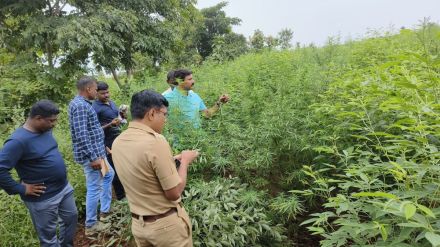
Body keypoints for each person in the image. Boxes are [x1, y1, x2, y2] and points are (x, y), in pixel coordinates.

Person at [112, 90, 199, 247]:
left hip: (139, 227)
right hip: (166, 229)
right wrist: (185, 161)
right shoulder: (156, 141)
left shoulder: (118, 142)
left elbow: (141, 169)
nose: (165, 119)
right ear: (152, 113)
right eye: (164, 114)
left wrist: (170, 160)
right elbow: (174, 192)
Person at [0, 100, 78, 247]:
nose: (54, 124)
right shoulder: (17, 141)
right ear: (38, 118)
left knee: (71, 218)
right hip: (43, 198)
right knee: (48, 237)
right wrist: (21, 189)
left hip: (63, 188)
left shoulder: (45, 130)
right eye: (51, 121)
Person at [68, 76, 115, 236]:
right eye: (95, 89)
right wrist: (93, 157)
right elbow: (81, 135)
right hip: (92, 156)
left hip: (98, 152)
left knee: (109, 175)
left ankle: (105, 211)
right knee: (94, 187)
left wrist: (102, 148)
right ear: (88, 89)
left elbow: (91, 131)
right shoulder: (81, 106)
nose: (97, 92)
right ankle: (91, 225)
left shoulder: (83, 104)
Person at [92, 81, 126, 201]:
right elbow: (94, 130)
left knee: (123, 166)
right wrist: (110, 124)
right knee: (114, 169)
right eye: (103, 93)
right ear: (96, 93)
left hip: (119, 139)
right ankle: (121, 197)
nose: (106, 95)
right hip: (107, 143)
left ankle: (127, 192)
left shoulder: (111, 103)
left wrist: (122, 116)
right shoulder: (94, 109)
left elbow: (118, 120)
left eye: (107, 92)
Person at [163, 69, 230, 129]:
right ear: (180, 82)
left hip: (197, 138)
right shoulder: (166, 98)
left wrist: (219, 103)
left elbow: (206, 114)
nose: (193, 81)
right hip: (178, 141)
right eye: (189, 79)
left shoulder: (195, 96)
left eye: (192, 79)